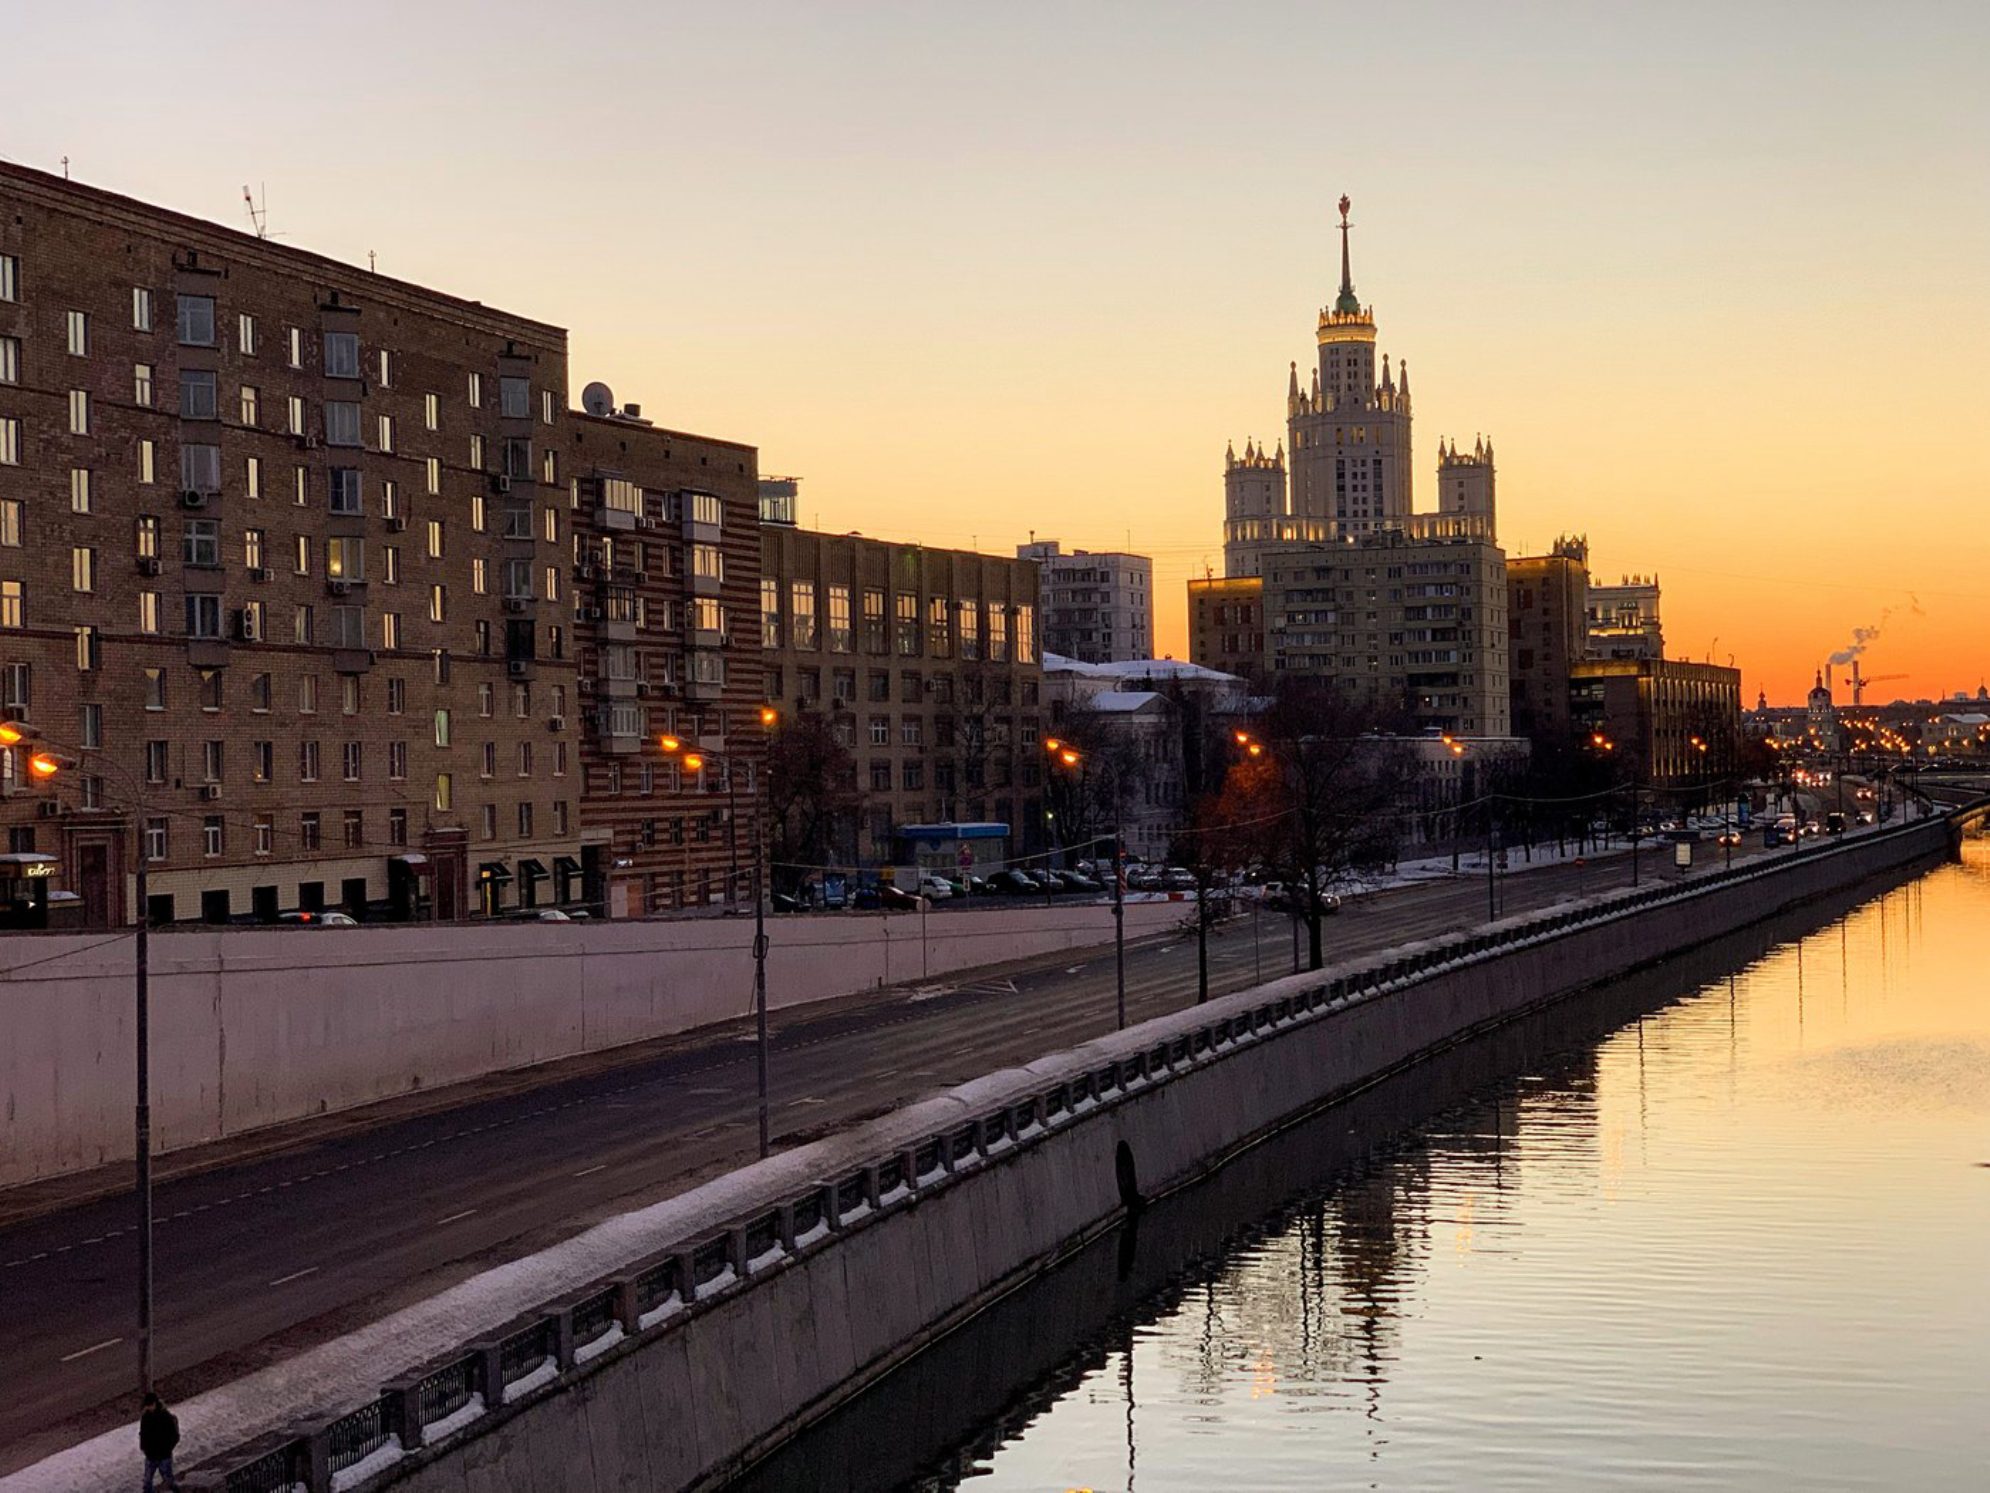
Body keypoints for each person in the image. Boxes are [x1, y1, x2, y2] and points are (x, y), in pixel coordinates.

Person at [138, 1391, 181, 1492]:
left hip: (164, 1455)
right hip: (151, 1455)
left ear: (154, 1404)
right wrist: (144, 1447)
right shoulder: (145, 1417)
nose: (147, 1408)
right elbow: (143, 1434)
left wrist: (167, 1448)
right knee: (147, 1482)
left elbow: (174, 1436)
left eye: (149, 1405)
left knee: (168, 1479)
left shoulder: (166, 1417)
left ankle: (177, 1491)